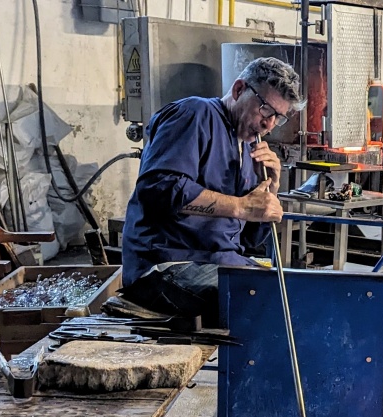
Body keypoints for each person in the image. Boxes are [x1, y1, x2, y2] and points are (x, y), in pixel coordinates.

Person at [119, 57, 303, 320]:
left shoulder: (249, 149)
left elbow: (249, 239)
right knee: (271, 306)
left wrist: (271, 188)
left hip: (219, 262)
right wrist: (240, 206)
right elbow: (159, 189)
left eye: (278, 117)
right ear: (239, 90)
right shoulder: (195, 114)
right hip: (167, 265)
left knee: (303, 293)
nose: (269, 124)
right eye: (265, 109)